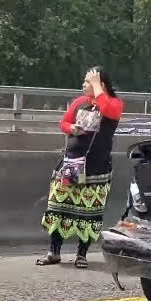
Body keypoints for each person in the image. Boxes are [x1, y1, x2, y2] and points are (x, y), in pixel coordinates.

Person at [37, 67, 124, 268]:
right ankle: (54, 251)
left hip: (96, 169)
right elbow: (64, 122)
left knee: (89, 211)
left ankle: (81, 254)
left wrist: (97, 86)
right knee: (58, 206)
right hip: (72, 164)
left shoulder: (114, 104)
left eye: (88, 82)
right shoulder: (79, 103)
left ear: (100, 85)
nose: (84, 85)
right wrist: (71, 128)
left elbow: (108, 109)